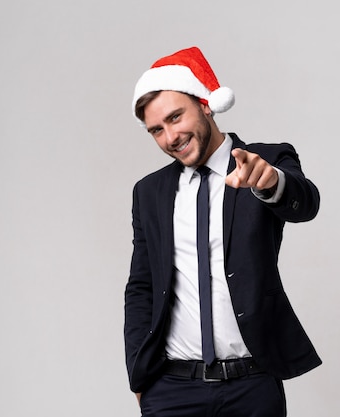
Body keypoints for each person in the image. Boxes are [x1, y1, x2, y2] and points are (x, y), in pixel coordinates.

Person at [124, 46, 322, 417]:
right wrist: (139, 376)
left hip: (253, 385)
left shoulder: (266, 159)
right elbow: (142, 285)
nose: (170, 137)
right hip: (172, 388)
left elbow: (305, 202)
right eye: (156, 130)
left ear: (205, 104)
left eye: (175, 117)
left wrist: (270, 183)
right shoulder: (149, 192)